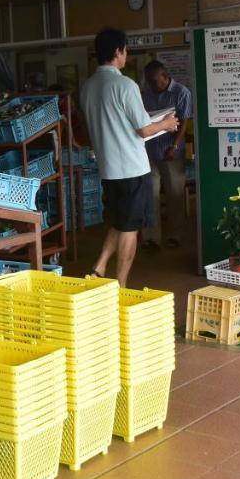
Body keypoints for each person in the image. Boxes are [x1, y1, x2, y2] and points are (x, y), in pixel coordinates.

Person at [79, 29, 179, 289]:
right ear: (118, 52)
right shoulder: (124, 85)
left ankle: (99, 267)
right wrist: (167, 123)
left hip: (108, 168)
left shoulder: (88, 87)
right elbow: (144, 129)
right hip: (132, 168)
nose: (126, 55)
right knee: (130, 228)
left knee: (119, 220)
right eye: (125, 50)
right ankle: (120, 284)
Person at [141, 61, 193, 250]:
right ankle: (151, 237)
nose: (152, 85)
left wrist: (174, 145)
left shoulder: (181, 93)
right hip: (149, 151)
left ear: (165, 76)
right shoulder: (146, 95)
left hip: (172, 152)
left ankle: (175, 235)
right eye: (149, 82)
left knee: (175, 194)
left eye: (155, 81)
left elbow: (184, 123)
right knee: (150, 195)